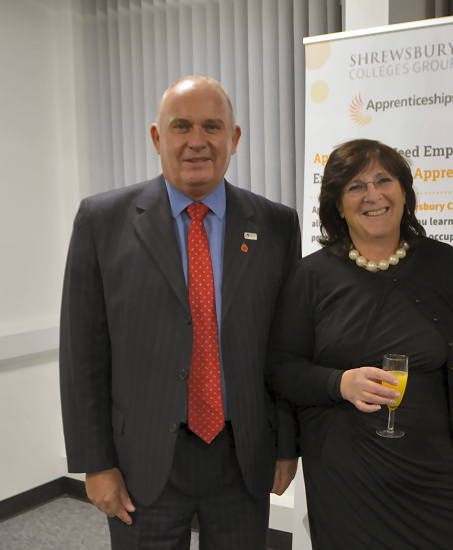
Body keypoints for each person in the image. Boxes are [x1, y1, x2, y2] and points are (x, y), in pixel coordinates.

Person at [59, 76, 301, 549]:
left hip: (242, 456)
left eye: (212, 126)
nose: (197, 141)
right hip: (140, 461)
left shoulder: (275, 224)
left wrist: (287, 445)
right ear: (157, 137)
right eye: (181, 126)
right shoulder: (102, 221)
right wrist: (95, 463)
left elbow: (285, 345)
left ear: (233, 138)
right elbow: (82, 354)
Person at [267, 139, 453, 550]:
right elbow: (280, 369)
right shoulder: (310, 276)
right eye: (355, 186)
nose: (373, 195)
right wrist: (340, 383)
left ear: (404, 191)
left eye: (384, 180)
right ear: (338, 203)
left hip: (429, 466)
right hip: (344, 471)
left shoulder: (446, 264)